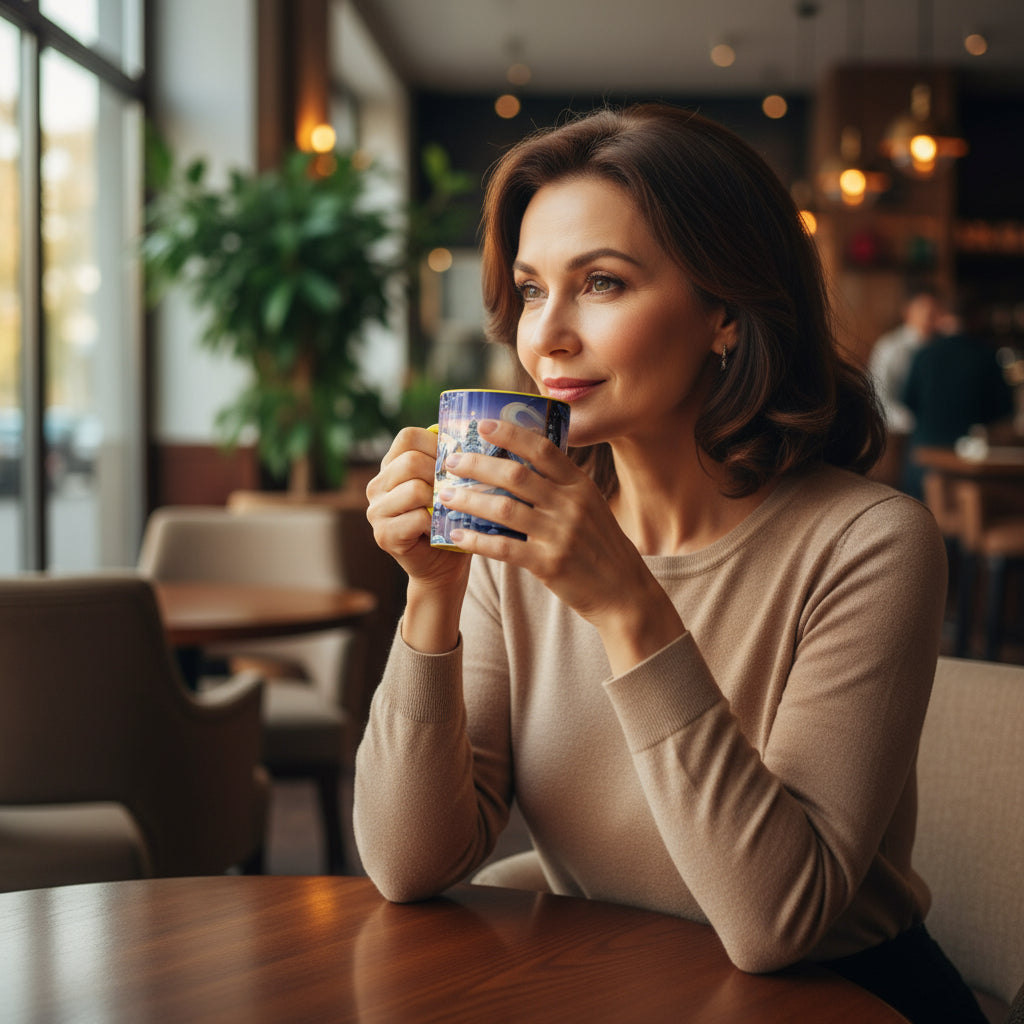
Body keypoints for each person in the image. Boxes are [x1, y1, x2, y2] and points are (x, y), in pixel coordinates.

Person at [355, 103, 985, 1023]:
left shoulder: (870, 543)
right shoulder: (515, 538)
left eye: (601, 283)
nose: (547, 336)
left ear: (725, 313)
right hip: (612, 986)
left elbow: (775, 923)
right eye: (532, 290)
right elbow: (408, 865)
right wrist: (432, 596)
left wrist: (628, 608)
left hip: (842, 1002)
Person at [901, 316, 1017, 499]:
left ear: (945, 319)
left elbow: (907, 400)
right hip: (970, 460)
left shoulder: (924, 353)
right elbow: (1003, 410)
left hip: (923, 454)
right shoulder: (985, 354)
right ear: (976, 321)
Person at [868, 288, 941, 435]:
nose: (928, 314)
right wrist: (912, 422)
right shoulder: (890, 347)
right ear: (907, 311)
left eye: (934, 309)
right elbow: (878, 397)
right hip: (900, 433)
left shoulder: (942, 347)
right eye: (922, 307)